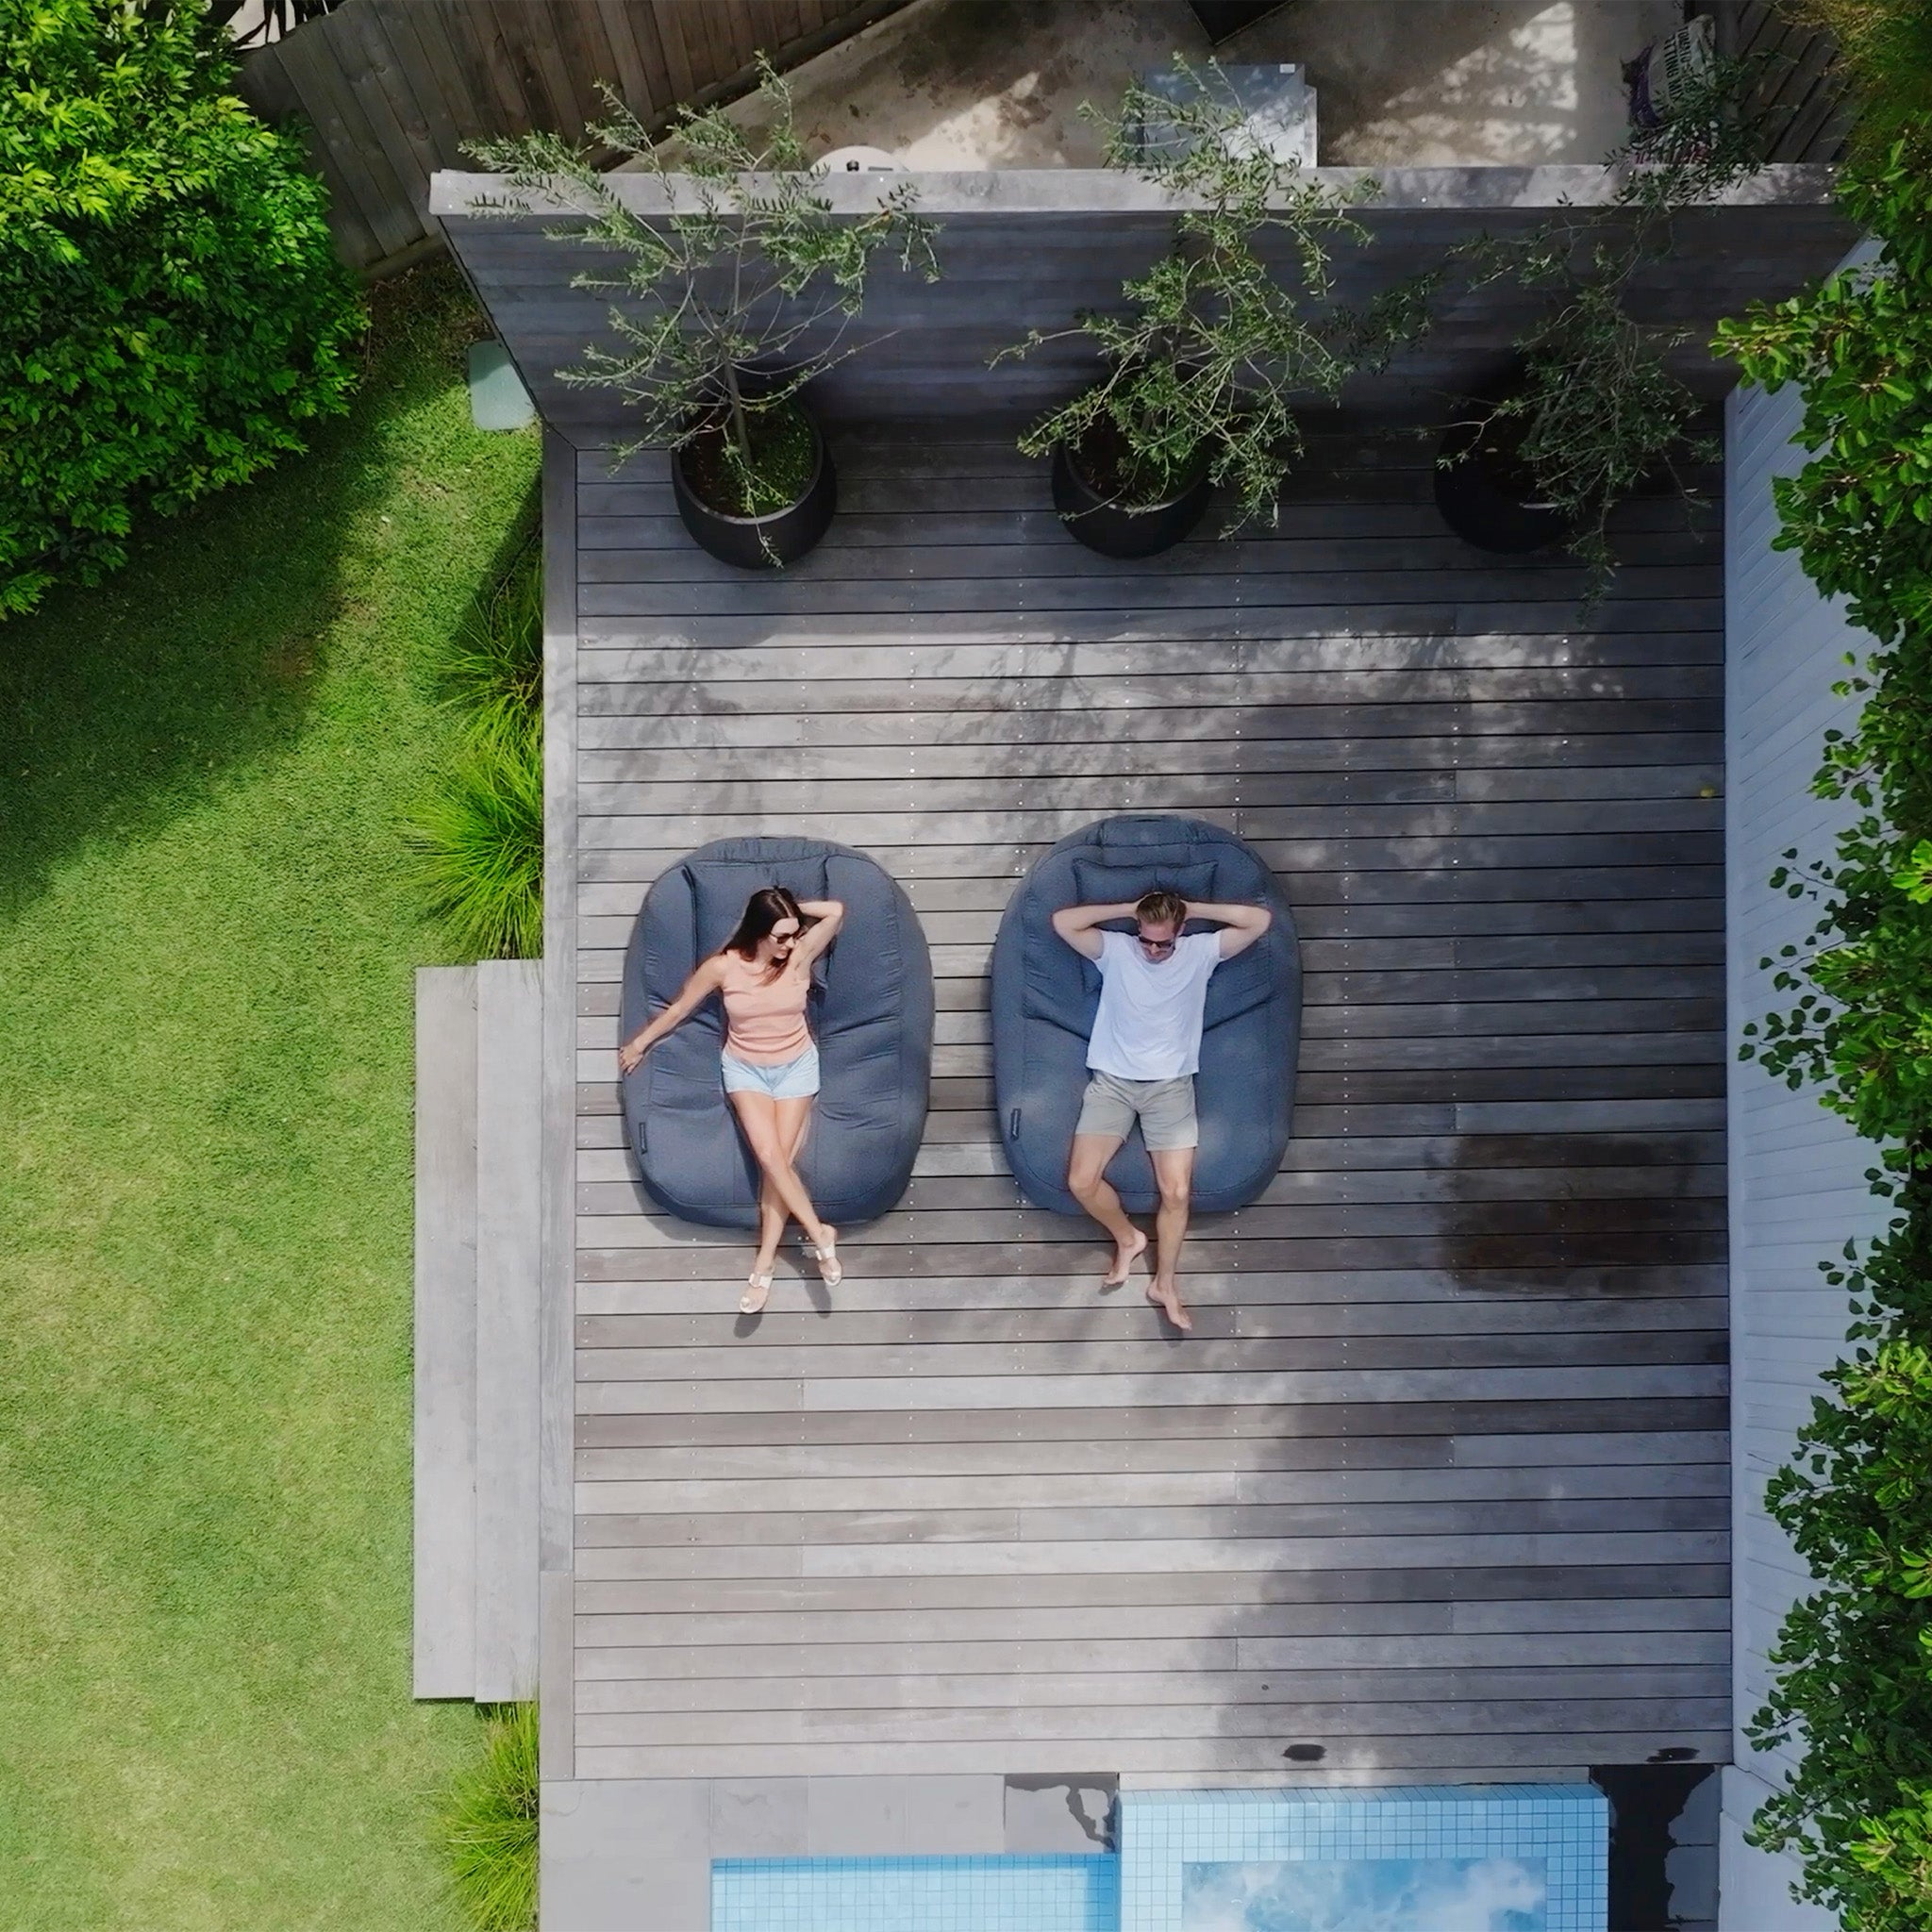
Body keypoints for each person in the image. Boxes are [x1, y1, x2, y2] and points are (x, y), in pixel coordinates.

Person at [1051, 887, 1273, 1332]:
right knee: (1081, 1181)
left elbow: (1258, 921)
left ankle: (1165, 1284)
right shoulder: (1116, 950)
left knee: (1176, 1193)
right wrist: (1130, 909)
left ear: (1181, 930)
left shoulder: (1200, 952)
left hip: (1170, 1089)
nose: (1153, 950)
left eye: (1163, 943)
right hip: (1112, 1084)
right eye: (1146, 940)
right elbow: (1063, 922)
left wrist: (1192, 909)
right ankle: (1127, 1237)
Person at [618, 886, 846, 1315]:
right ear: (759, 931)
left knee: (777, 1169)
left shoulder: (799, 956)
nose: (790, 943)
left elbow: (834, 912)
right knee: (770, 1157)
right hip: (746, 1070)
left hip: (796, 1068)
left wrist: (791, 908)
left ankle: (764, 1266)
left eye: (794, 934)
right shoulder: (724, 967)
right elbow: (680, 1008)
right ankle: (820, 1235)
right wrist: (640, 1043)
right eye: (781, 936)